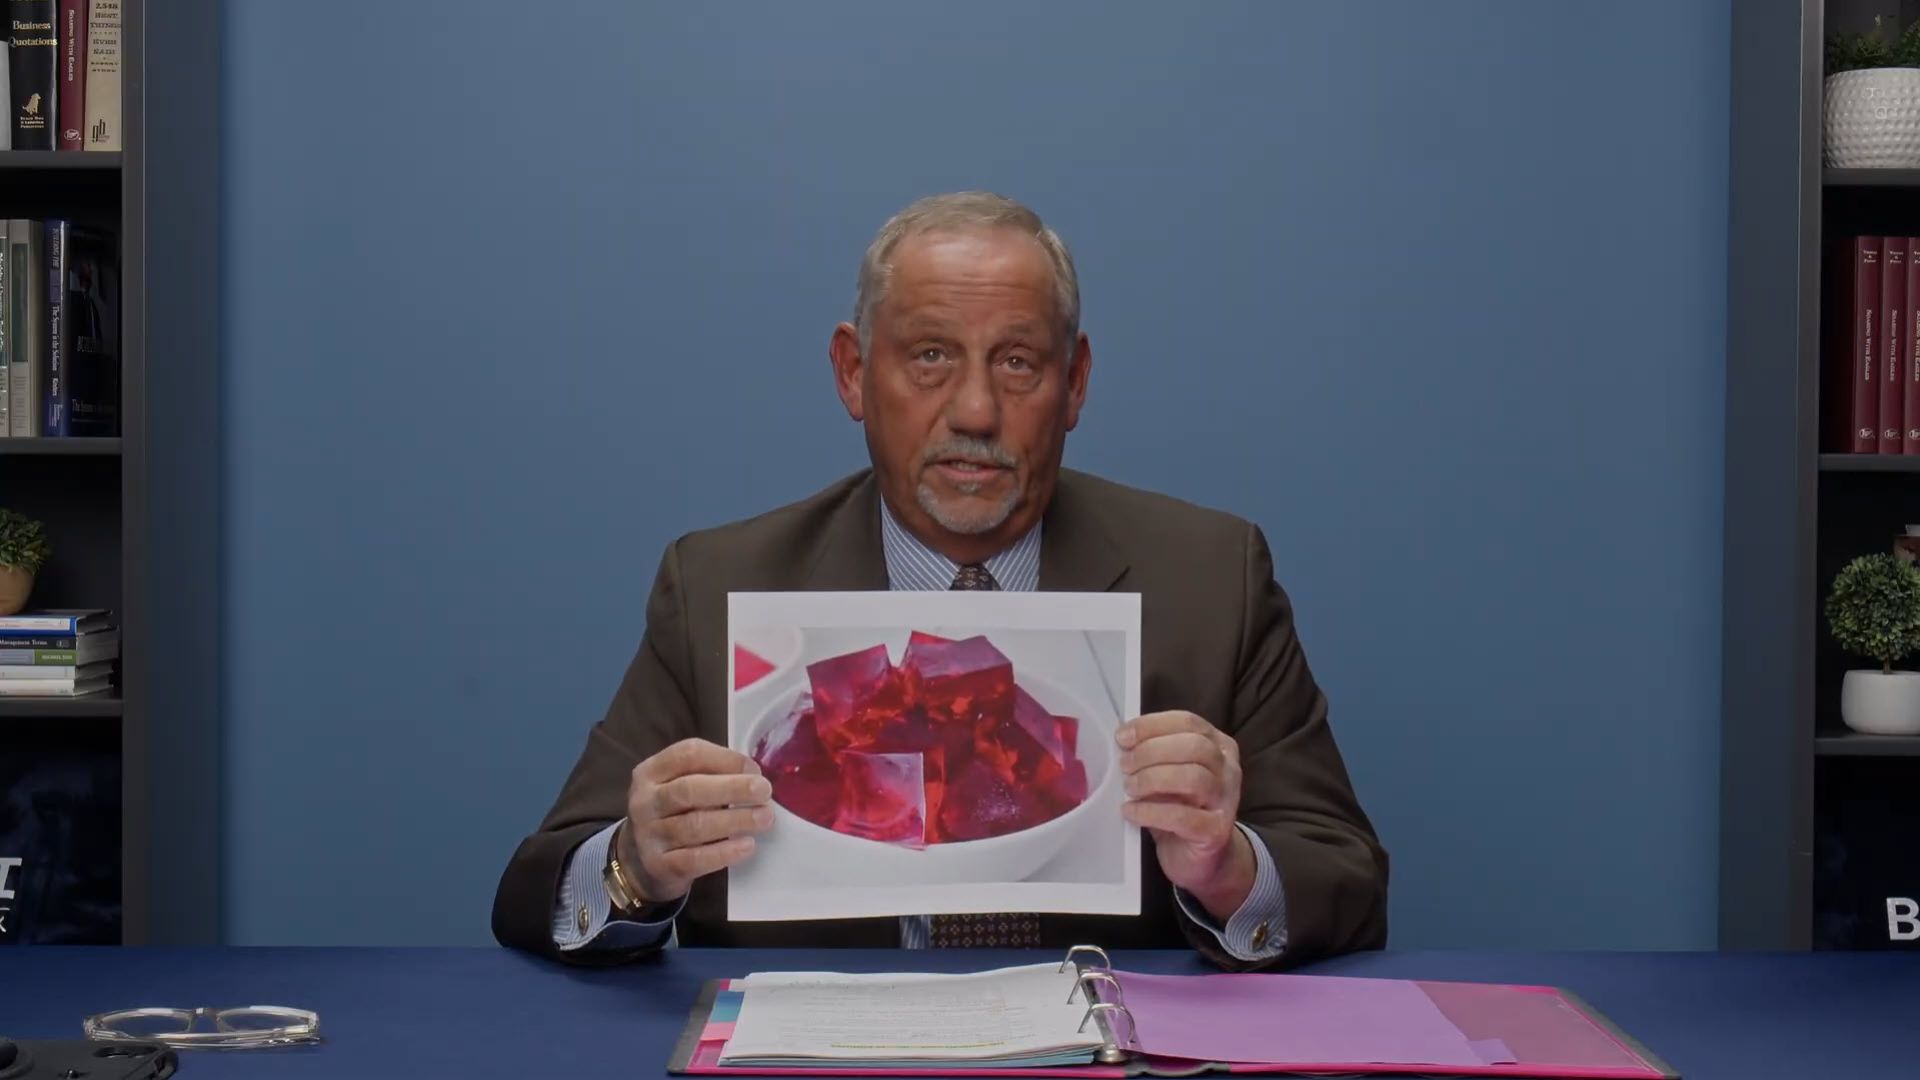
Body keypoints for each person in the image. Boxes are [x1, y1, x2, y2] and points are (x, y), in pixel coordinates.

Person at [491, 191, 1388, 970]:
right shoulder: (721, 585)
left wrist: (1228, 869)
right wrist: (635, 867)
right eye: (929, 357)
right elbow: (536, 895)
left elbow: (1347, 882)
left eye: (1018, 362)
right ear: (853, 373)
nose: (974, 410)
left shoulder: (1210, 576)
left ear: (1073, 384)